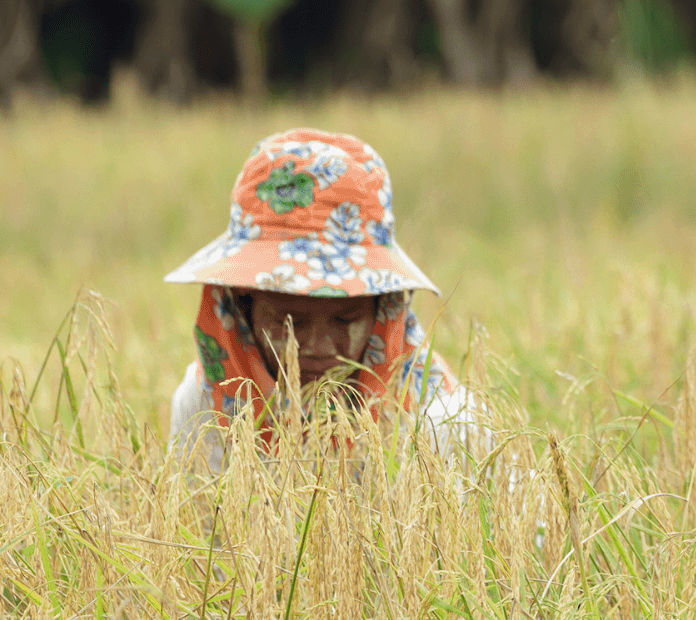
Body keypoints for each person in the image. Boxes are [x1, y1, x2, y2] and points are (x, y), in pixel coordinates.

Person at [166, 128, 478, 472]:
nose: (316, 345)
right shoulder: (206, 405)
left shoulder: (440, 421)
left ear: (383, 309)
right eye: (291, 322)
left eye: (345, 320)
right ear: (242, 307)